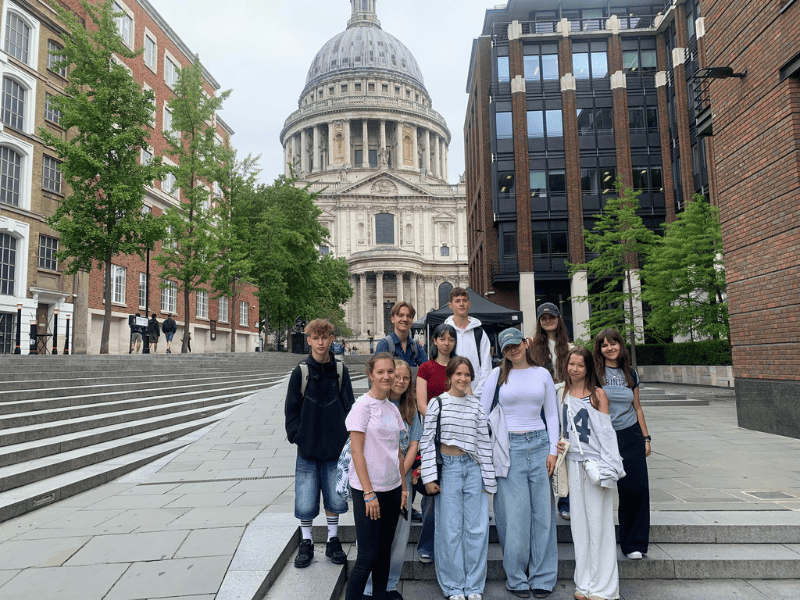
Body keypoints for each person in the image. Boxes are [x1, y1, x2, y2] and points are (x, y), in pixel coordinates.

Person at [482, 328, 559, 599]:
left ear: (526, 344)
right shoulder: (497, 375)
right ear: (502, 352)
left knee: (542, 515)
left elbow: (552, 414)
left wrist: (553, 450)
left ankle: (543, 576)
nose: (512, 350)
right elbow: (483, 415)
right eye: (507, 348)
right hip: (508, 447)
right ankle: (516, 577)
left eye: (516, 344)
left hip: (539, 444)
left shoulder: (542, 374)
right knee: (513, 516)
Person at [420, 356, 496, 600]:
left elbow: (484, 443)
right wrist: (429, 477)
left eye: (467, 375)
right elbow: (427, 442)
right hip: (449, 469)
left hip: (473, 468)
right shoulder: (437, 403)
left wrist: (488, 479)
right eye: (458, 374)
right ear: (450, 376)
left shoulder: (476, 406)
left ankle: (474, 586)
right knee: (450, 530)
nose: (463, 379)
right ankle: (453, 586)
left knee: (477, 529)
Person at [285, 319, 355, 569]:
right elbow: (291, 408)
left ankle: (333, 539)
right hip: (308, 447)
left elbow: (350, 405)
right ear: (309, 340)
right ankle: (306, 542)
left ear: (331, 339)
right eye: (316, 338)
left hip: (335, 447)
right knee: (305, 499)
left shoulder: (340, 370)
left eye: (325, 337)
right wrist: (297, 436)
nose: (321, 342)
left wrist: (346, 437)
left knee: (335, 499)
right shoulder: (301, 372)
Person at [558, 346, 625, 600]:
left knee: (599, 524)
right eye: (571, 364)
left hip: (596, 466)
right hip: (572, 464)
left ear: (588, 368)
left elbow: (607, 435)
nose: (574, 369)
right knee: (580, 526)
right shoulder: (562, 392)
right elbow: (562, 428)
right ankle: (584, 583)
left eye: (580, 365)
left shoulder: (598, 394)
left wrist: (611, 470)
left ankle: (603, 588)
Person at [345, 352, 407, 600]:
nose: (386, 376)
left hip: (393, 489)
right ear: (370, 374)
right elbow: (356, 451)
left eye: (390, 371)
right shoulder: (362, 406)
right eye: (380, 372)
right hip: (369, 491)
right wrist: (368, 493)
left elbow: (398, 451)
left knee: (383, 554)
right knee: (367, 557)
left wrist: (403, 489)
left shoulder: (392, 408)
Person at [364, 359, 421, 600]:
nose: (400, 381)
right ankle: (369, 587)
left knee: (399, 536)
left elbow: (413, 446)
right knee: (373, 535)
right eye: (396, 376)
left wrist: (400, 477)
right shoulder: (375, 404)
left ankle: (389, 585)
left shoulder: (411, 409)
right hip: (376, 480)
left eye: (405, 378)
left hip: (402, 482)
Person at [593, 328, 651, 561]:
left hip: (630, 434)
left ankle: (634, 543)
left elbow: (637, 407)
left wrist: (646, 437)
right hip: (603, 436)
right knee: (600, 489)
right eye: (604, 345)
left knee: (636, 489)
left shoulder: (630, 373)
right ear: (599, 349)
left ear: (620, 345)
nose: (610, 348)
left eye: (613, 343)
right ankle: (599, 544)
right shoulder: (595, 372)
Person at [414, 323, 458, 563]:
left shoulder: (458, 366)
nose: (446, 343)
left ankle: (451, 545)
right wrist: (439, 421)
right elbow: (421, 403)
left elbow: (467, 396)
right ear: (434, 341)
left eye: (450, 339)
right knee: (431, 492)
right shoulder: (426, 368)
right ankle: (427, 544)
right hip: (433, 436)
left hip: (456, 437)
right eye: (442, 338)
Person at [527, 302, 573, 521]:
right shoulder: (532, 346)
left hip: (565, 401)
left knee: (564, 449)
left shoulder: (569, 347)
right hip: (541, 405)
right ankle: (543, 501)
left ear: (558, 318)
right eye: (543, 318)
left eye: (551, 317)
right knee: (545, 449)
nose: (547, 320)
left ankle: (565, 500)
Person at [444, 288, 492, 401]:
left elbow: (486, 367)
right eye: (457, 301)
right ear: (450, 305)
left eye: (464, 300)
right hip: (451, 397)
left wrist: (476, 395)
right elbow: (442, 363)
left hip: (476, 397)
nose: (461, 304)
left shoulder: (479, 333)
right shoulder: (445, 332)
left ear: (469, 304)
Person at [375, 302, 429, 368]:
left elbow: (427, 370)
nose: (405, 319)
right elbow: (379, 371)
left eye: (409, 316)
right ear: (392, 319)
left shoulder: (417, 347)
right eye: (400, 315)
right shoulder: (384, 345)